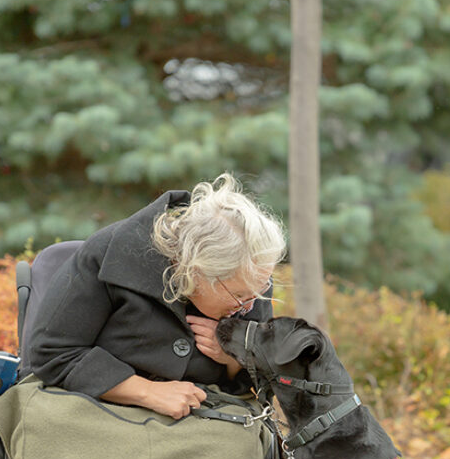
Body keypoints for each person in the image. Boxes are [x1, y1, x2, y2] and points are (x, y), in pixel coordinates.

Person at [25, 173, 286, 415]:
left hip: (204, 419)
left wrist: (234, 357)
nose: (248, 306)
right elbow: (53, 354)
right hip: (97, 410)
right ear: (196, 272)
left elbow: (264, 384)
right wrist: (146, 392)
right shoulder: (108, 254)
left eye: (260, 290)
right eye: (239, 294)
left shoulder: (249, 276)